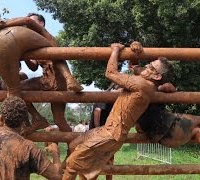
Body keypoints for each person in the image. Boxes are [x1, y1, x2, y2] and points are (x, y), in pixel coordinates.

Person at [63, 43, 174, 179]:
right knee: (75, 146)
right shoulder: (148, 85)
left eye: (150, 67)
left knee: (71, 163)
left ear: (157, 77)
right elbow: (135, 67)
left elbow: (110, 73)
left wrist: (115, 49)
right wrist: (135, 48)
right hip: (107, 130)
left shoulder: (142, 84)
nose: (145, 67)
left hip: (112, 133)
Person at [0, 96, 62, 179]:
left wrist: (6, 112)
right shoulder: (27, 148)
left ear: (3, 117)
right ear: (23, 121)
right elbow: (57, 175)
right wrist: (55, 151)